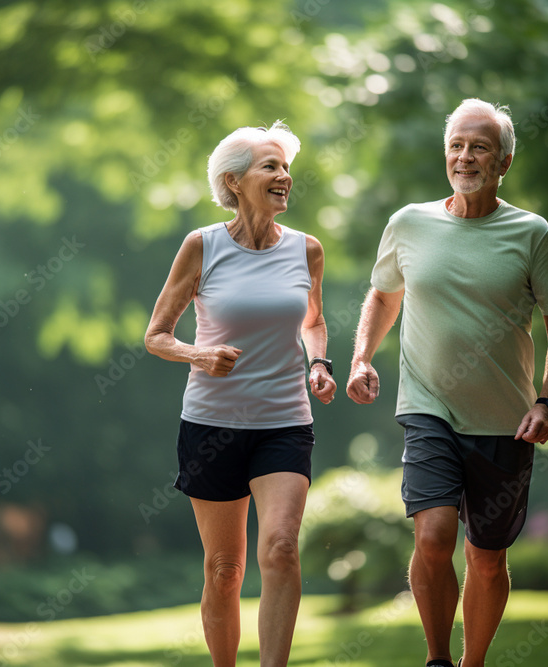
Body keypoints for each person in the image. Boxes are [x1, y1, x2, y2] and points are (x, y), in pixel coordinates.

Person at [346, 99, 548, 667]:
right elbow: (384, 295)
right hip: (427, 408)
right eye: (456, 144)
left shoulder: (531, 233)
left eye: (479, 147)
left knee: (487, 557)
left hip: (506, 421)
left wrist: (547, 403)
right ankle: (437, 659)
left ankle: (472, 662)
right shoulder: (409, 223)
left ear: (503, 162)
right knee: (432, 538)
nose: (464, 156)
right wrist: (360, 358)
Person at [145, 121, 336, 667]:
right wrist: (198, 354)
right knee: (224, 570)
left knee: (279, 548)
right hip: (212, 425)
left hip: (284, 422)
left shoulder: (307, 250)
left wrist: (318, 362)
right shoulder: (201, 246)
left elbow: (314, 321)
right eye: (270, 166)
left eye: (285, 167)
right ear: (233, 182)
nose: (284, 176)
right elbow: (155, 336)